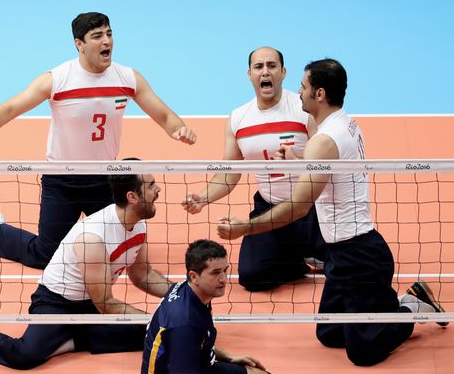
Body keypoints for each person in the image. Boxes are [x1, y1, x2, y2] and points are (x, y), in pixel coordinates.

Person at [215, 58, 447, 366]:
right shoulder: (342, 123)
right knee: (329, 332)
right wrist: (299, 155)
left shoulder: (323, 141)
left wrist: (245, 227)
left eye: (304, 86)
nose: (299, 92)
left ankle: (413, 307)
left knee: (362, 354)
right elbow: (327, 163)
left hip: (359, 256)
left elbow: (298, 208)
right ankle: (385, 308)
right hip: (339, 253)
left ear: (320, 94)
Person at [0, 12, 196, 269]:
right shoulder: (58, 79)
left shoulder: (127, 78)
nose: (106, 41)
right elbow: (11, 108)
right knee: (46, 256)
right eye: (97, 36)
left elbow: (162, 114)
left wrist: (179, 129)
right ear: (79, 44)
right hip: (62, 179)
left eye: (109, 34)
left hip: (105, 179)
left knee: (115, 255)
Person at [0, 167, 173, 369]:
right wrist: (152, 320)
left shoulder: (138, 221)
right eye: (151, 185)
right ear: (132, 197)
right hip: (57, 301)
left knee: (149, 334)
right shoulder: (93, 238)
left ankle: (68, 342)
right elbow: (106, 304)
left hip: (90, 302)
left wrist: (181, 292)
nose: (158, 189)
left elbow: (142, 274)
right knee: (25, 356)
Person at [183, 46, 326, 292]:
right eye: (259, 67)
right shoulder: (239, 119)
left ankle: (311, 251)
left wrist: (297, 159)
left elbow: (325, 163)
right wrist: (202, 198)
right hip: (270, 209)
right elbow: (230, 172)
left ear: (283, 72)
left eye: (272, 66)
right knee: (251, 277)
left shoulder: (305, 111)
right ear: (250, 74)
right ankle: (298, 259)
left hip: (311, 208)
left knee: (342, 266)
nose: (265, 72)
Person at [142, 240, 268, 374]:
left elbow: (200, 340)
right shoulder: (184, 325)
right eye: (215, 273)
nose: (223, 279)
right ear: (194, 276)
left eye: (225, 270)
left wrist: (228, 357)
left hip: (198, 363)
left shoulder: (192, 290)